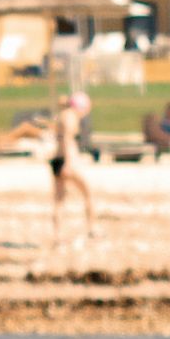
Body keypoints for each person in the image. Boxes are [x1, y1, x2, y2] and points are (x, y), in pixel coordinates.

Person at [49, 91, 95, 247]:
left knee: (59, 200)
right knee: (88, 192)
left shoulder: (62, 114)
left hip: (56, 159)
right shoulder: (71, 116)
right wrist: (69, 163)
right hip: (67, 161)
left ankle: (57, 237)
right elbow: (67, 139)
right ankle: (92, 230)